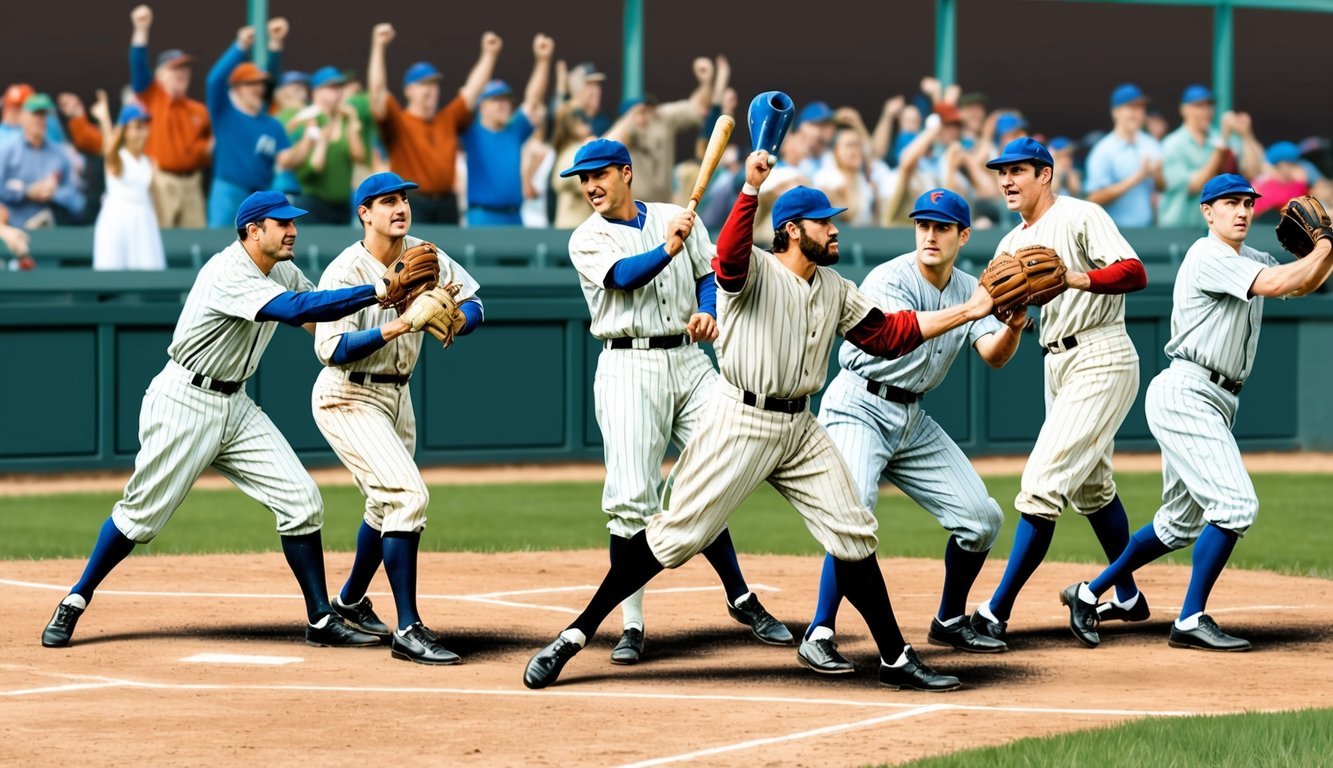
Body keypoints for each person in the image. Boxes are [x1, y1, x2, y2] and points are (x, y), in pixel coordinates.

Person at [523, 149, 1000, 692]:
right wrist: (749, 189)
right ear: (794, 230)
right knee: (675, 538)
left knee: (852, 531)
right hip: (741, 421)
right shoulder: (755, 271)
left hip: (800, 429)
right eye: (825, 222)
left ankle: (895, 657)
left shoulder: (836, 289)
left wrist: (968, 311)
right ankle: (575, 633)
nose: (835, 229)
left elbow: (887, 335)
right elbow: (725, 260)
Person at [39, 190, 418, 650]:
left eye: (293, 222)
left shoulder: (280, 268)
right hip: (185, 400)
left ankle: (320, 619)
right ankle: (76, 599)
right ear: (253, 231)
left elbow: (319, 317)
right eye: (282, 223)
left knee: (302, 501)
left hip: (235, 404)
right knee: (141, 517)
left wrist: (397, 317)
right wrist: (380, 288)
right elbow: (296, 310)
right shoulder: (228, 270)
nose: (293, 230)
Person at [1059, 176, 1333, 651]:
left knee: (1178, 524)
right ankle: (1190, 619)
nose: (1243, 210)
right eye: (1231, 203)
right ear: (1208, 212)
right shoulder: (1208, 256)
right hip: (1189, 391)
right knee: (1235, 506)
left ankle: (1088, 593)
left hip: (1214, 399)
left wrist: (1325, 253)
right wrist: (1325, 243)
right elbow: (1283, 280)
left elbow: (1305, 281)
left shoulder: (1252, 259)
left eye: (1249, 203)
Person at [561, 138, 793, 664]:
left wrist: (708, 310)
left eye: (599, 174)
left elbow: (707, 275)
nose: (590, 185)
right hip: (628, 364)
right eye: (583, 179)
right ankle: (632, 622)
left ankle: (739, 596)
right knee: (631, 500)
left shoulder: (672, 215)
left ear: (626, 172)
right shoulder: (586, 238)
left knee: (719, 466)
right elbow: (623, 279)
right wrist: (666, 248)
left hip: (689, 360)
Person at [798, 189, 1026, 673]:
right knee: (852, 515)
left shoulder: (970, 287)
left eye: (942, 227)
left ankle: (948, 618)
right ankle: (819, 630)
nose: (930, 234)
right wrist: (973, 309)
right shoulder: (891, 277)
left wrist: (1014, 326)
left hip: (911, 418)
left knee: (982, 520)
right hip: (860, 404)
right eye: (923, 224)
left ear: (963, 235)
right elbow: (898, 335)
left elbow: (994, 355)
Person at [967, 137, 1150, 645]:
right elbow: (1008, 318)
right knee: (1093, 490)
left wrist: (1073, 277)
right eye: (1000, 172)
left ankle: (994, 611)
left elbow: (1135, 273)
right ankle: (1128, 598)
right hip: (1055, 360)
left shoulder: (1080, 215)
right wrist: (1014, 319)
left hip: (1101, 352)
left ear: (1044, 174)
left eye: (1017, 171)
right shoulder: (1008, 245)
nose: (1006, 180)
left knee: (1041, 485)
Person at [313, 172, 484, 664]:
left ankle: (348, 601)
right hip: (347, 395)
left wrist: (459, 318)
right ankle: (408, 628)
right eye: (387, 201)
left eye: (404, 199)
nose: (400, 207)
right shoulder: (345, 271)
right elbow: (331, 349)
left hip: (396, 396)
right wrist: (401, 324)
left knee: (383, 505)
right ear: (364, 212)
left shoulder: (425, 253)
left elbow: (476, 302)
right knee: (409, 497)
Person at [367, 23, 500, 225]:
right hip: (412, 202)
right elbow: (377, 92)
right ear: (409, 90)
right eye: (423, 84)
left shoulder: (447, 119)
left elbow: (473, 90)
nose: (430, 90)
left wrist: (489, 54)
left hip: (447, 204)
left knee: (448, 256)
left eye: (434, 84)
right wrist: (378, 46)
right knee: (415, 256)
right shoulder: (398, 122)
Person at [205, 18, 314, 227]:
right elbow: (214, 81)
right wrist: (240, 46)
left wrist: (275, 44)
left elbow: (286, 160)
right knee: (219, 248)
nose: (258, 88)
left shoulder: (272, 124)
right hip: (229, 193)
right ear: (236, 88)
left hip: (259, 197)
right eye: (251, 83)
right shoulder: (225, 114)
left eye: (260, 84)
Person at [128, 4, 213, 228]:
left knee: (195, 242)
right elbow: (138, 66)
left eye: (185, 69)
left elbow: (205, 148)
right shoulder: (153, 97)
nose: (182, 73)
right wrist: (141, 30)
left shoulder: (198, 110)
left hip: (192, 182)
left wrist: (204, 151)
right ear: (160, 75)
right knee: (162, 239)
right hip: (161, 179)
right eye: (175, 68)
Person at [461, 34, 553, 227]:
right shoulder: (471, 131)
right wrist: (489, 54)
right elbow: (468, 94)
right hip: (482, 218)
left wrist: (543, 60)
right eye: (496, 100)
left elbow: (533, 101)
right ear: (481, 106)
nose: (504, 105)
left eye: (507, 100)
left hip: (515, 217)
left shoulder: (515, 129)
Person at [1158, 86, 1262, 229]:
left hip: (1212, 229)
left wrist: (1246, 134)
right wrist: (1221, 146)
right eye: (1199, 105)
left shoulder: (1217, 137)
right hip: (1178, 228)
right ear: (1184, 109)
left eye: (1209, 105)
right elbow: (1193, 185)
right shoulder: (1172, 143)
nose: (1206, 111)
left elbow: (1253, 170)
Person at [90, 92, 165, 270]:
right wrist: (104, 118)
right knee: (111, 273)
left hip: (144, 225)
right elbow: (110, 144)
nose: (143, 133)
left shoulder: (150, 163)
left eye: (145, 127)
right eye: (137, 127)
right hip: (116, 223)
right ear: (125, 130)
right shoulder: (116, 158)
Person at [286, 67, 367, 224]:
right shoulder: (307, 119)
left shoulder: (346, 119)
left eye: (340, 87)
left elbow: (359, 156)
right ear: (317, 92)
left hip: (342, 205)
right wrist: (321, 138)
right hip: (312, 203)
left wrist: (353, 121)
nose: (338, 92)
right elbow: (313, 167)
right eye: (332, 87)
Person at [0, 92, 85, 229]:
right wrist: (26, 192)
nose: (40, 119)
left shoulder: (59, 153)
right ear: (22, 116)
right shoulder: (7, 150)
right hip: (14, 232)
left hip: (52, 233)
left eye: (44, 114)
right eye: (35, 114)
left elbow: (77, 201)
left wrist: (54, 193)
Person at [1084, 84, 1163, 228]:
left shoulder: (1151, 144)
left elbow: (1162, 189)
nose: (1138, 113)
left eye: (1141, 107)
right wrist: (1137, 177)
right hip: (1114, 233)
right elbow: (1094, 197)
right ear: (1116, 112)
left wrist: (1158, 176)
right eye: (1132, 107)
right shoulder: (1103, 150)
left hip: (1149, 231)